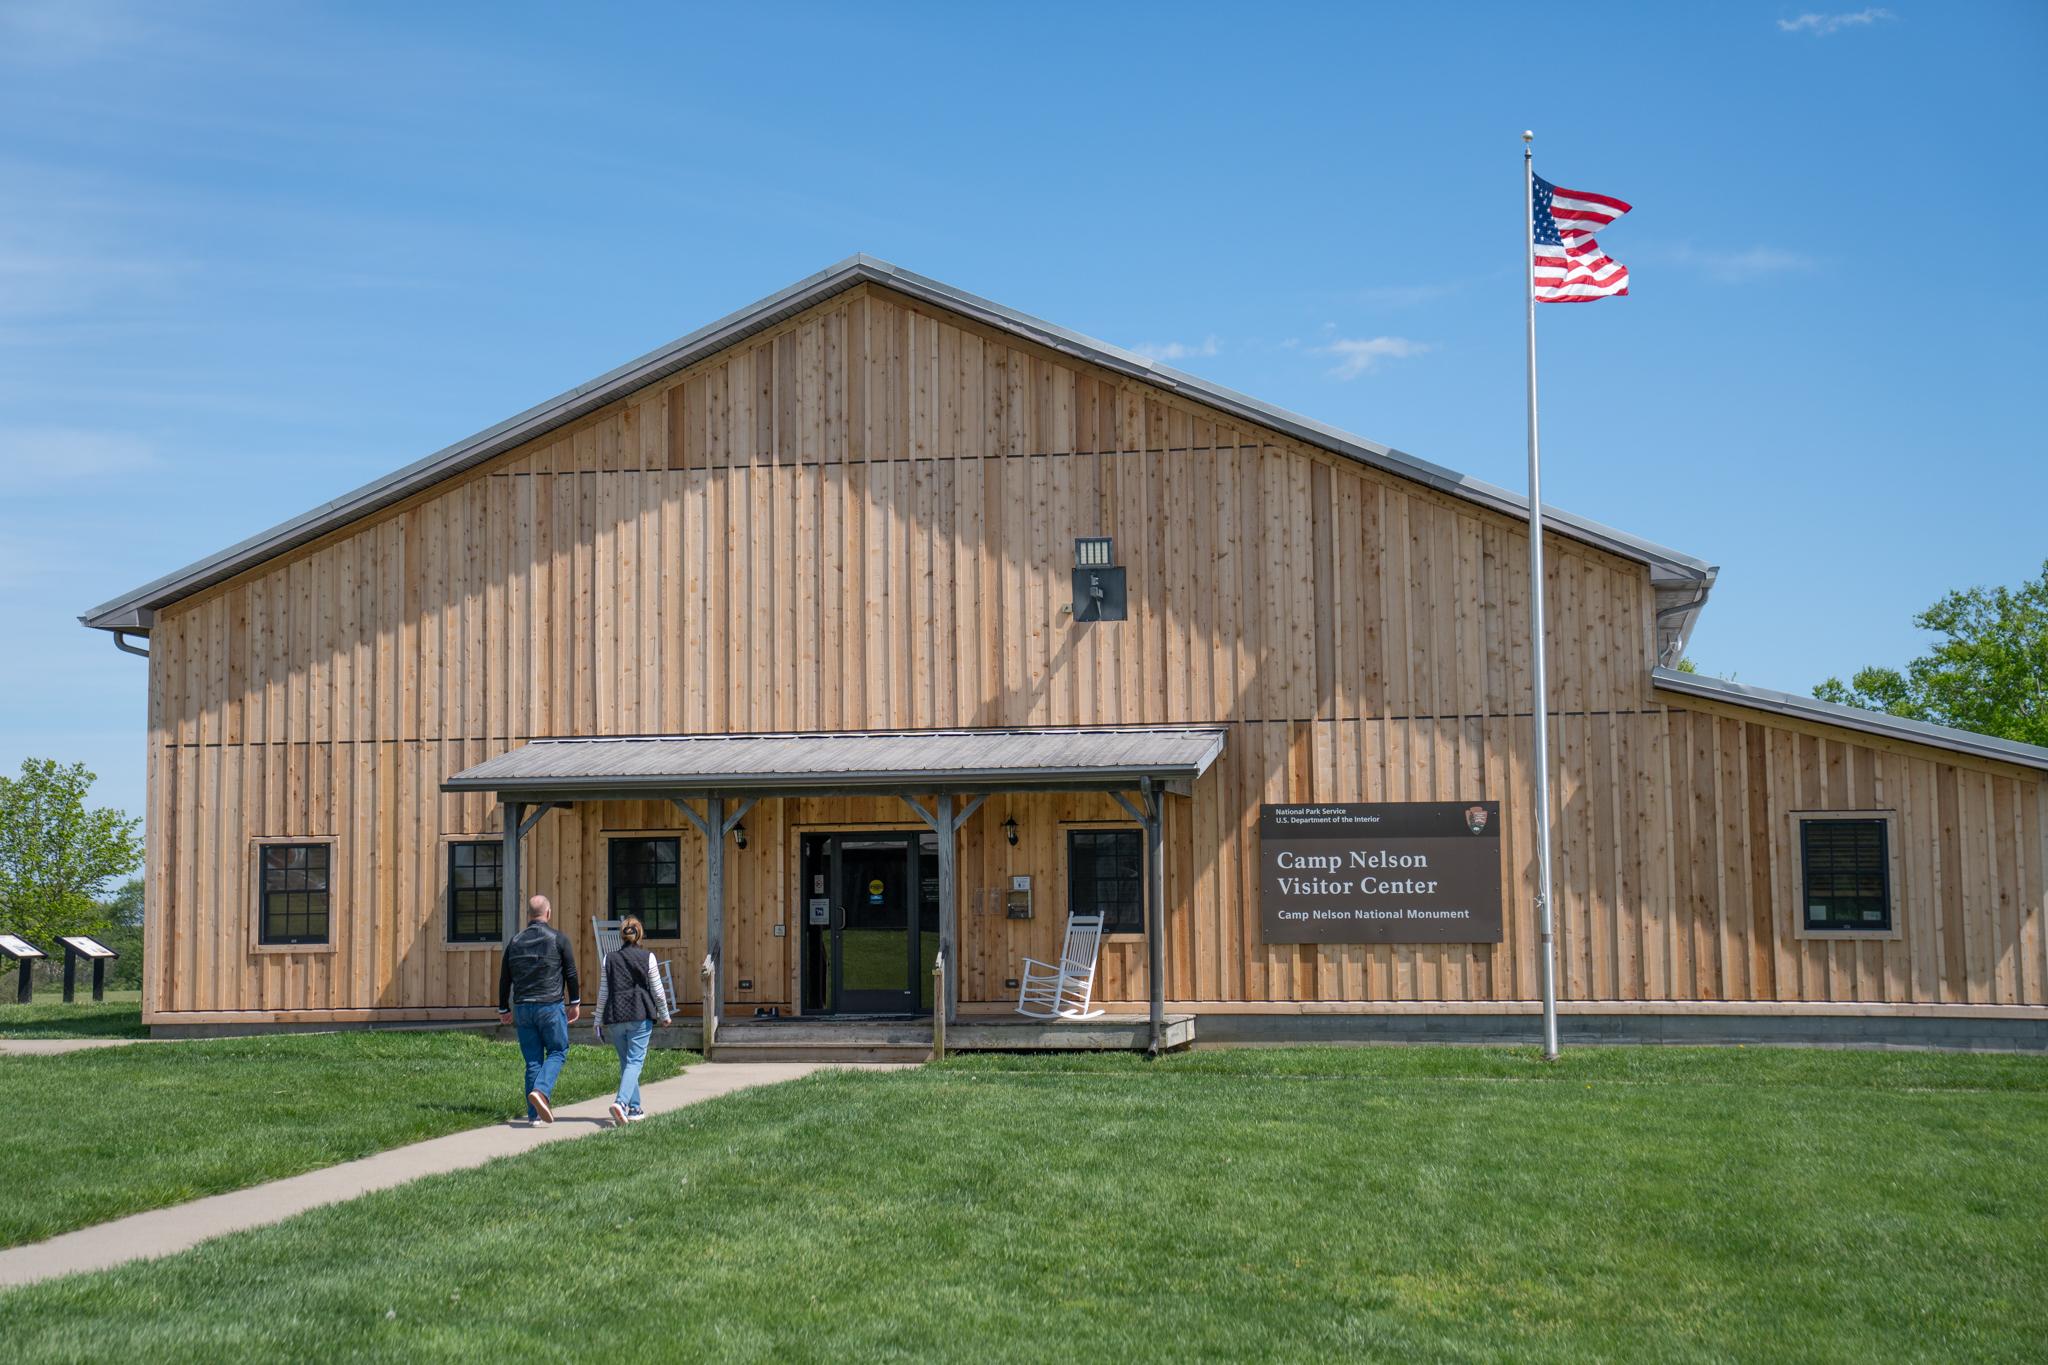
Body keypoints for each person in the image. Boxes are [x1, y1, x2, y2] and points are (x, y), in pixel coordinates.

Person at [497, 893, 581, 1123]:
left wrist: (504, 1008)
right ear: (548, 913)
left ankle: (534, 1116)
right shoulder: (558, 939)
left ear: (529, 915)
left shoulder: (514, 941)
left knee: (533, 1061)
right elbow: (570, 973)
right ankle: (541, 1091)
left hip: (523, 1007)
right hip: (550, 1006)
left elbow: (505, 978)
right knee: (558, 1051)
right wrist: (575, 1002)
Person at [595, 915, 671, 1126]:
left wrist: (597, 1019)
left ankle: (635, 1108)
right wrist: (664, 1014)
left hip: (615, 1015)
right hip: (639, 1013)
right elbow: (657, 990)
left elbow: (603, 991)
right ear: (640, 934)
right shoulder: (648, 957)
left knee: (627, 1064)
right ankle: (620, 1103)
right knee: (635, 1062)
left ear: (622, 935)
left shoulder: (608, 959)